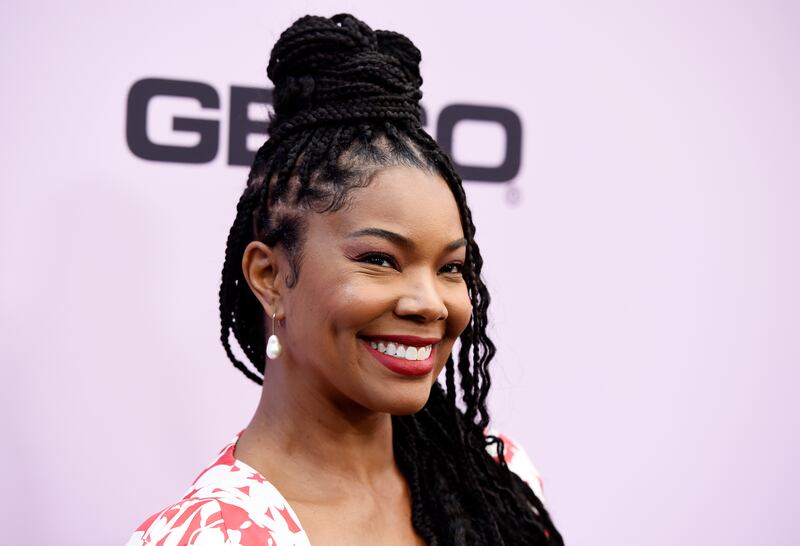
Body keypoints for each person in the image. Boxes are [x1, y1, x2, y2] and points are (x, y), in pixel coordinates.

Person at [128, 13, 563, 546]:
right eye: (380, 260)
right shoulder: (216, 536)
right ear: (268, 275)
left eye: (451, 267)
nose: (430, 303)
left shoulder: (497, 479)